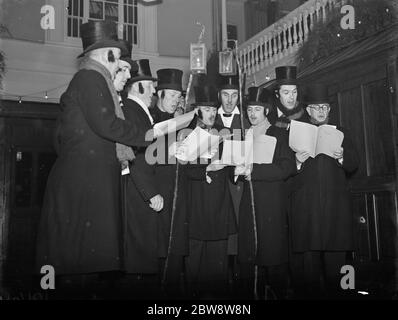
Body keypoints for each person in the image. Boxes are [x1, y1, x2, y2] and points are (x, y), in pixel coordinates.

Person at [35, 20, 153, 298]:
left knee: (83, 263)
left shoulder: (91, 80)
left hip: (86, 185)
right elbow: (106, 124)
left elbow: (62, 137)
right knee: (78, 265)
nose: (120, 64)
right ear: (107, 55)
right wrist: (148, 134)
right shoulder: (90, 79)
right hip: (83, 187)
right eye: (118, 57)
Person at [290, 83, 359, 298]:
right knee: (309, 273)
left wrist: (341, 156)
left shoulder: (342, 132)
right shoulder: (296, 132)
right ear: (308, 110)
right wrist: (297, 162)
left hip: (335, 212)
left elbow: (354, 164)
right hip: (308, 212)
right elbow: (287, 173)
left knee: (339, 272)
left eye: (324, 107)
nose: (320, 111)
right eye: (316, 107)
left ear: (329, 110)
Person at [236, 87, 296, 299]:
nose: (252, 114)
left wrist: (255, 170)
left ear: (267, 111)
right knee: (250, 264)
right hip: (248, 205)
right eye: (250, 109)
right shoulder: (242, 136)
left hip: (271, 205)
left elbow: (287, 167)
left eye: (257, 109)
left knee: (273, 261)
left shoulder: (279, 133)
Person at [182, 85, 237, 298]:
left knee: (218, 273)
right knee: (194, 270)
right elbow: (182, 170)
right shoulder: (186, 136)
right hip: (196, 210)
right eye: (207, 109)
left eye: (214, 110)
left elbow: (232, 169)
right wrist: (205, 168)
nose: (212, 113)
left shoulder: (225, 135)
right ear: (197, 111)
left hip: (220, 209)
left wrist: (239, 166)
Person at [120, 59, 164, 296]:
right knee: (137, 261)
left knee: (142, 261)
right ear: (137, 87)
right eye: (151, 86)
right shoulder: (131, 111)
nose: (155, 91)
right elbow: (135, 154)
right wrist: (150, 192)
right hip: (138, 194)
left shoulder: (139, 112)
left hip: (140, 193)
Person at [150, 68, 188, 295]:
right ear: (160, 94)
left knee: (174, 261)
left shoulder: (183, 122)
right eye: (172, 95)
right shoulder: (150, 118)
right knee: (155, 259)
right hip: (157, 196)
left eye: (179, 96)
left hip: (178, 197)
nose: (176, 100)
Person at [214, 75, 250, 288]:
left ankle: (239, 275)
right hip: (216, 183)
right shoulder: (208, 118)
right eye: (225, 95)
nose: (229, 100)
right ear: (219, 95)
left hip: (239, 184)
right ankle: (222, 274)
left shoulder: (246, 120)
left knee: (238, 226)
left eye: (234, 95)